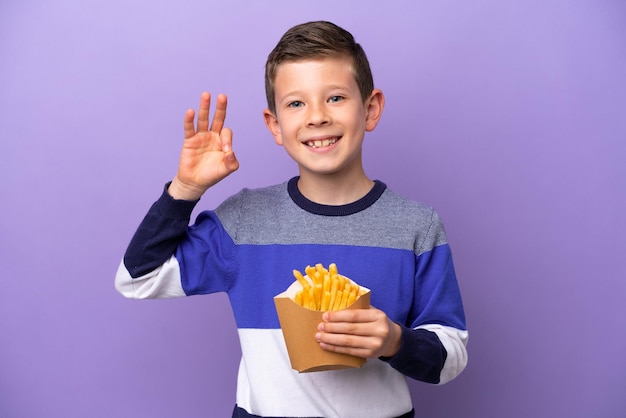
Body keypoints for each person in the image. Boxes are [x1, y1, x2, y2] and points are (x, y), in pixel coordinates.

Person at [115, 20, 468, 418]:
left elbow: (450, 357)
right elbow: (137, 279)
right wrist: (185, 188)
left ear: (370, 109)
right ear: (275, 125)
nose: (316, 117)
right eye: (296, 103)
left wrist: (394, 341)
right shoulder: (243, 221)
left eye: (335, 97)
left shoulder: (416, 225)